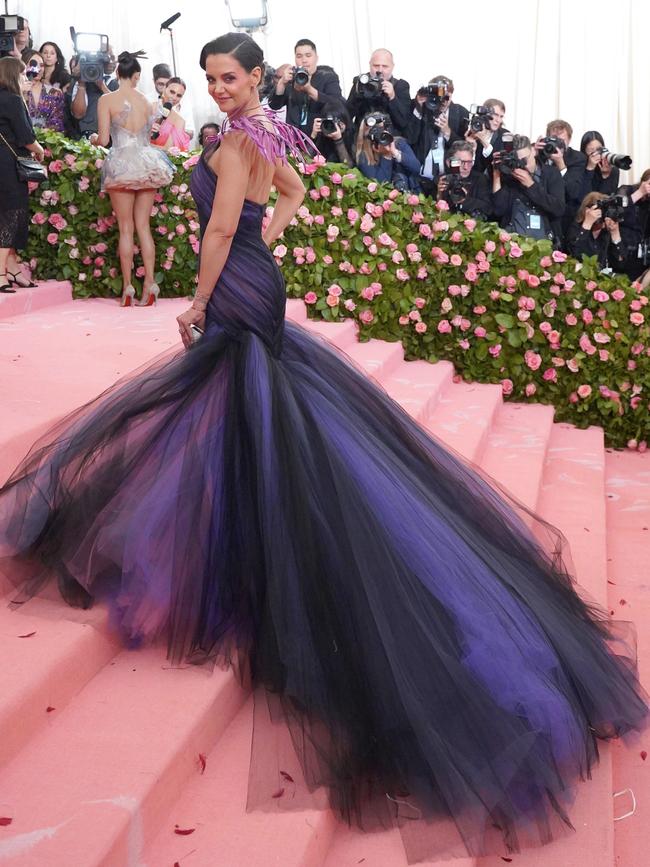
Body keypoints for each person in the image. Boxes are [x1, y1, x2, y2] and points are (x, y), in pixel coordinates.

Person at [0, 32, 647, 867]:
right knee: (241, 410)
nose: (220, 90)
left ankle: (243, 561)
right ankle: (240, 553)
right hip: (258, 279)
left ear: (258, 77)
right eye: (210, 80)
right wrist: (273, 241)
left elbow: (225, 223)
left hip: (234, 284)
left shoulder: (241, 139)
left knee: (235, 404)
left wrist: (199, 299)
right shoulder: (266, 134)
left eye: (230, 77)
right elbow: (293, 195)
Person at [89, 51, 174, 306]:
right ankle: (150, 283)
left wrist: (94, 139)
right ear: (136, 76)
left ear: (117, 74)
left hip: (122, 164)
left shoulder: (107, 99)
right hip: (147, 163)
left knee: (125, 229)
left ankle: (127, 287)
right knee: (143, 228)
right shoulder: (147, 102)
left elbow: (104, 140)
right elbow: (150, 137)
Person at [0, 56, 44, 293]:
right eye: (22, 74)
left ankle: (14, 270)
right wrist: (40, 150)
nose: (25, 77)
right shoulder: (14, 100)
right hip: (8, 166)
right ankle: (1, 275)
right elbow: (27, 138)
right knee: (11, 217)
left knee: (5, 214)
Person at [492, 134, 565, 243]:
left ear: (534, 151)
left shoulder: (551, 173)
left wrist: (531, 185)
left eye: (525, 159)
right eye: (519, 161)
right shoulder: (511, 175)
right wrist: (496, 173)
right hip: (513, 241)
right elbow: (498, 210)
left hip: (543, 240)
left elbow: (558, 209)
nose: (524, 165)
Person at [267, 38, 342, 138]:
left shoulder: (328, 77)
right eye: (299, 56)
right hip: (295, 140)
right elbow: (274, 105)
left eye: (308, 55)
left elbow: (337, 103)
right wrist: (281, 83)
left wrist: (310, 90)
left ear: (316, 57)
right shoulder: (291, 79)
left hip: (321, 138)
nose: (304, 60)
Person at [346, 48, 411, 137]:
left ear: (392, 67)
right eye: (376, 66)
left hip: (391, 139)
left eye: (385, 66)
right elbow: (347, 115)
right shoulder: (361, 83)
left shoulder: (400, 86)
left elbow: (403, 122)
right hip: (364, 139)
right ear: (370, 65)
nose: (380, 70)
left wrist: (392, 97)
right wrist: (359, 94)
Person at [355, 111, 421, 191]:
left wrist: (395, 153)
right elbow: (380, 184)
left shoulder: (399, 143)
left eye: (382, 130)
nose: (380, 134)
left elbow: (417, 168)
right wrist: (387, 156)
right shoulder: (364, 156)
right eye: (376, 132)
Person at [565, 191, 628, 272]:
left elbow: (620, 264)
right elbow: (575, 254)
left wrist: (616, 235)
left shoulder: (606, 232)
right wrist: (587, 224)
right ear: (587, 210)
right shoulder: (576, 227)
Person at [437, 140, 492, 219]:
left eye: (469, 162)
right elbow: (436, 212)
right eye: (461, 162)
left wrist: (465, 200)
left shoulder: (480, 179)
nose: (466, 167)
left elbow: (488, 209)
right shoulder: (443, 180)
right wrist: (439, 194)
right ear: (449, 163)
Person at [20, 49, 66, 132]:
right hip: (20, 140)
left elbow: (58, 123)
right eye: (34, 64)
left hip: (48, 141)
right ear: (23, 66)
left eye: (41, 65)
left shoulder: (55, 93)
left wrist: (43, 133)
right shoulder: (14, 91)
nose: (39, 69)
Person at [466, 98, 508, 176]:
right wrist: (471, 150)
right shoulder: (474, 131)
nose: (498, 120)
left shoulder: (505, 136)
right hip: (475, 182)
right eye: (495, 115)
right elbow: (468, 167)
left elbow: (500, 165)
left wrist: (484, 141)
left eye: (501, 116)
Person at [150, 76, 191, 152]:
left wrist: (145, 145)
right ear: (165, 88)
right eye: (172, 92)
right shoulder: (147, 108)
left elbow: (168, 150)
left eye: (179, 95)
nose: (174, 97)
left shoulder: (180, 121)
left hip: (161, 160)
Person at [310, 100, 355, 167]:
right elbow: (305, 161)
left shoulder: (352, 136)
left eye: (335, 122)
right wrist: (313, 136)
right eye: (328, 122)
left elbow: (349, 167)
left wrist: (338, 140)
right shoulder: (321, 134)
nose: (332, 126)